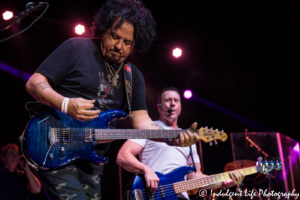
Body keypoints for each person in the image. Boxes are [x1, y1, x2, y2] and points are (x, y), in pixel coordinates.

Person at [25, 0, 199, 199]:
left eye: (127, 43)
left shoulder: (132, 76)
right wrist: (65, 104)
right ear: (102, 28)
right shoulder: (75, 47)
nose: (119, 46)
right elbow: (34, 82)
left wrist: (172, 137)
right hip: (54, 143)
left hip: (92, 159)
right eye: (114, 37)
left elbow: (142, 122)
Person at [116, 87, 245, 200]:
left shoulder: (188, 139)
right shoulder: (149, 130)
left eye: (176, 101)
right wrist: (146, 170)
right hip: (153, 194)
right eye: (167, 100)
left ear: (180, 107)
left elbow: (195, 177)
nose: (172, 104)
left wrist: (224, 183)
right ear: (159, 106)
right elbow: (123, 156)